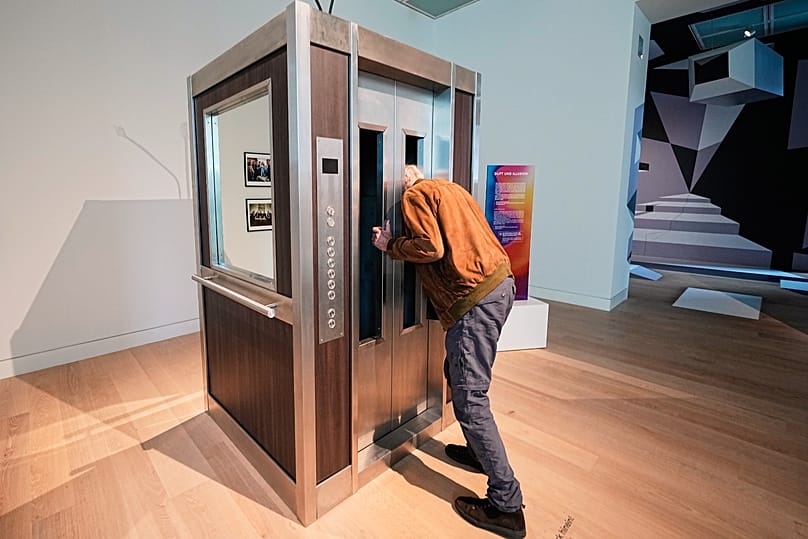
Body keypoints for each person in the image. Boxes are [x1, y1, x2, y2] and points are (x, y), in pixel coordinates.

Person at [372, 165, 526, 539]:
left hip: (473, 298)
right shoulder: (451, 189)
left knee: (470, 399)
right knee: (457, 373)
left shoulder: (415, 195)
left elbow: (431, 247)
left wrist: (389, 245)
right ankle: (479, 451)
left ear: (405, 180)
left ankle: (506, 505)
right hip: (499, 285)